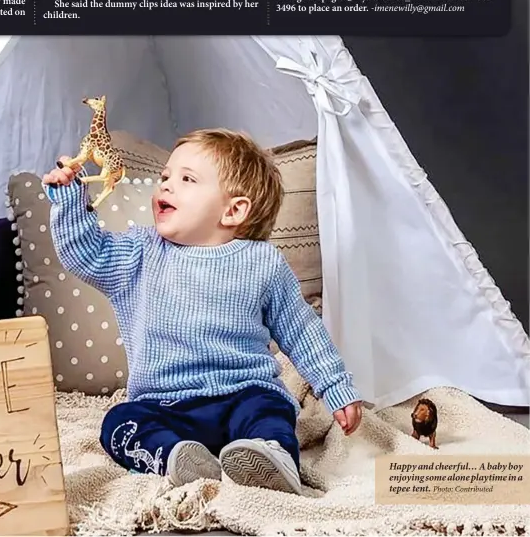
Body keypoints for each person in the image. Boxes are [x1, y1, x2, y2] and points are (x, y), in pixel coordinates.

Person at [42, 128, 363, 493]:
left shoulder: (262, 262)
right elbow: (87, 254)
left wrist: (335, 386)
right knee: (119, 422)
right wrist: (69, 200)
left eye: (186, 179)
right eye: (165, 177)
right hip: (164, 405)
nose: (165, 186)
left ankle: (269, 458)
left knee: (271, 411)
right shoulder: (140, 252)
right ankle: (175, 458)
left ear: (233, 210)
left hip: (243, 393)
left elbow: (302, 330)